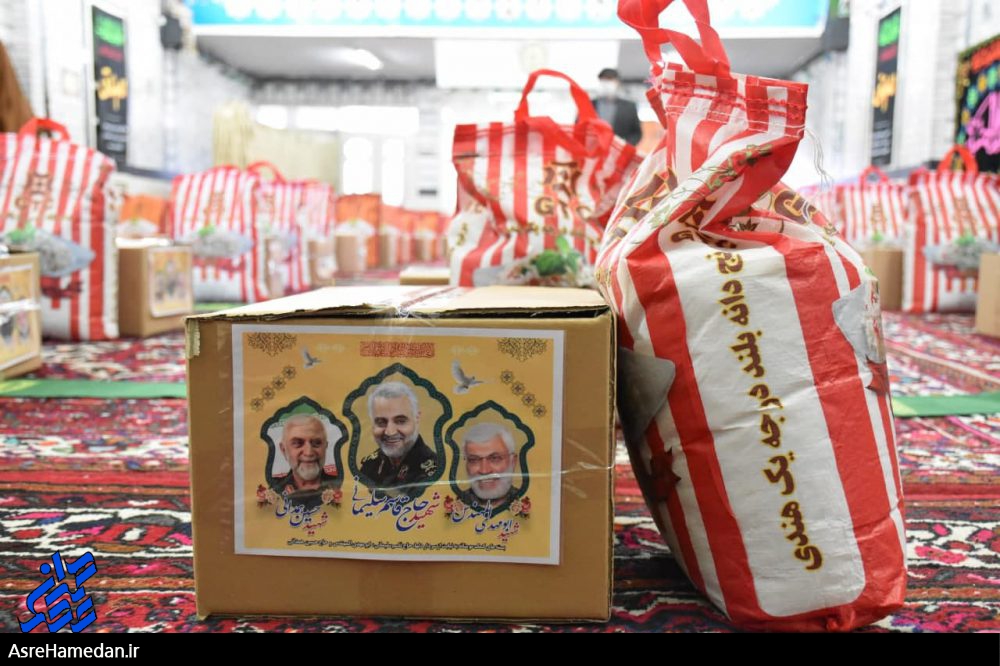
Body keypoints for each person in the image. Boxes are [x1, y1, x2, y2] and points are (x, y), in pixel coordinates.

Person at [359, 381, 438, 495]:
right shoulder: (370, 465)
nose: (390, 432)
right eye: (381, 422)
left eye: (400, 421)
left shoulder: (433, 472)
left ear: (417, 419)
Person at [269, 414, 339, 508]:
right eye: (298, 443)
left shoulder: (343, 486)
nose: (308, 452)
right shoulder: (271, 491)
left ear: (325, 446)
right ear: (284, 450)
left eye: (316, 443)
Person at [459, 422, 519, 509]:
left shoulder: (529, 501)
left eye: (495, 458)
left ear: (513, 462)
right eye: (474, 460)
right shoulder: (456, 503)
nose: (484, 471)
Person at [592, 68, 642, 146]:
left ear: (617, 82)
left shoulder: (629, 107)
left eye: (609, 79)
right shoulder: (590, 104)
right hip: (594, 149)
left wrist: (625, 145)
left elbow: (636, 133)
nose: (606, 84)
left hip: (618, 150)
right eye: (603, 80)